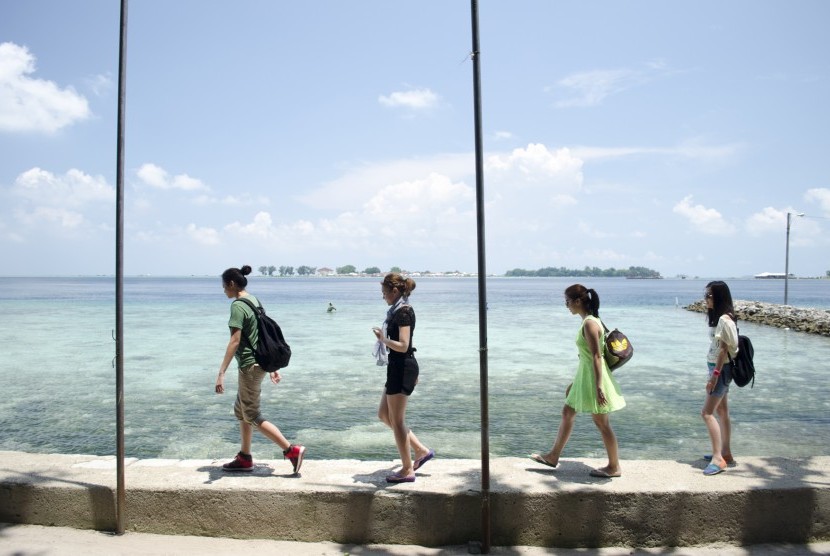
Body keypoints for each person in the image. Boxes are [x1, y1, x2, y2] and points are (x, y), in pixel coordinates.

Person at [215, 265, 306, 474]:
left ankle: (291, 450)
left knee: (252, 414)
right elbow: (263, 334)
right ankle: (245, 457)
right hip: (259, 363)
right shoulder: (254, 300)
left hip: (249, 366)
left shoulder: (238, 305)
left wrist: (221, 372)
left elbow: (234, 341)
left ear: (231, 284)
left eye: (223, 286)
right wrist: (272, 367)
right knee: (241, 411)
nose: (223, 291)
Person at [529, 284, 626, 478]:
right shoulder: (591, 321)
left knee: (601, 422)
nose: (566, 305)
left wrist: (599, 386)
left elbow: (597, 357)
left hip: (594, 378)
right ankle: (553, 456)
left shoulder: (590, 323)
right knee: (568, 412)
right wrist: (576, 384)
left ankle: (614, 466)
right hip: (586, 376)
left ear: (578, 301)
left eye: (567, 301)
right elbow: (589, 359)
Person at [372, 273, 434, 483]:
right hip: (397, 367)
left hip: (402, 368)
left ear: (395, 291)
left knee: (397, 421)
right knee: (383, 414)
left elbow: (404, 345)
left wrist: (383, 339)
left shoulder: (404, 313)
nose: (383, 297)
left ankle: (407, 469)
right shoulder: (397, 311)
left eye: (384, 293)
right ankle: (420, 450)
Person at [700, 280, 739, 476]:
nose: (706, 299)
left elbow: (723, 350)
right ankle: (726, 453)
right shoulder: (723, 318)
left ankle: (718, 458)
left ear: (719, 297)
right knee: (722, 411)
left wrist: (714, 376)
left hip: (720, 370)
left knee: (707, 413)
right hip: (719, 369)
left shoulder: (724, 320)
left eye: (709, 295)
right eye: (705, 295)